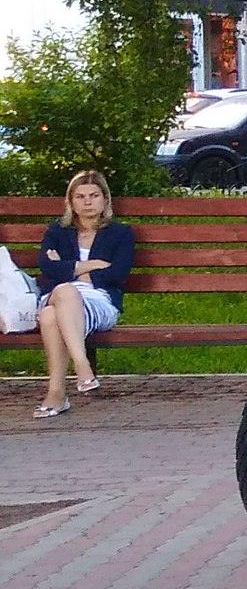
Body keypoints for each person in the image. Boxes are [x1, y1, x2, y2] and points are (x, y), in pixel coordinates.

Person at [32, 170, 135, 419]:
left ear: (105, 200)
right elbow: (47, 267)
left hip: (99, 300)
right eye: (80, 196)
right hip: (61, 295)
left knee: (48, 316)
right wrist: (92, 265)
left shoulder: (121, 233)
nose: (87, 202)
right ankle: (83, 366)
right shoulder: (57, 231)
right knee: (63, 294)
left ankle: (56, 395)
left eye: (93, 195)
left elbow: (118, 273)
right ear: (71, 201)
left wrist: (68, 269)